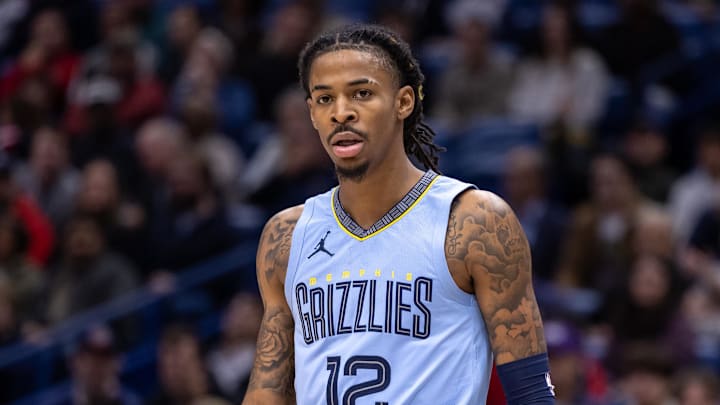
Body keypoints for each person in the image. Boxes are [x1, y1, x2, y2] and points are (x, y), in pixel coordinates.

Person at [242, 24, 554, 404]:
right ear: (311, 113)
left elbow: (531, 392)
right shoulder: (286, 236)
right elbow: (267, 395)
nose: (341, 113)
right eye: (325, 99)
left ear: (403, 102)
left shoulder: (473, 221)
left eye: (362, 94)